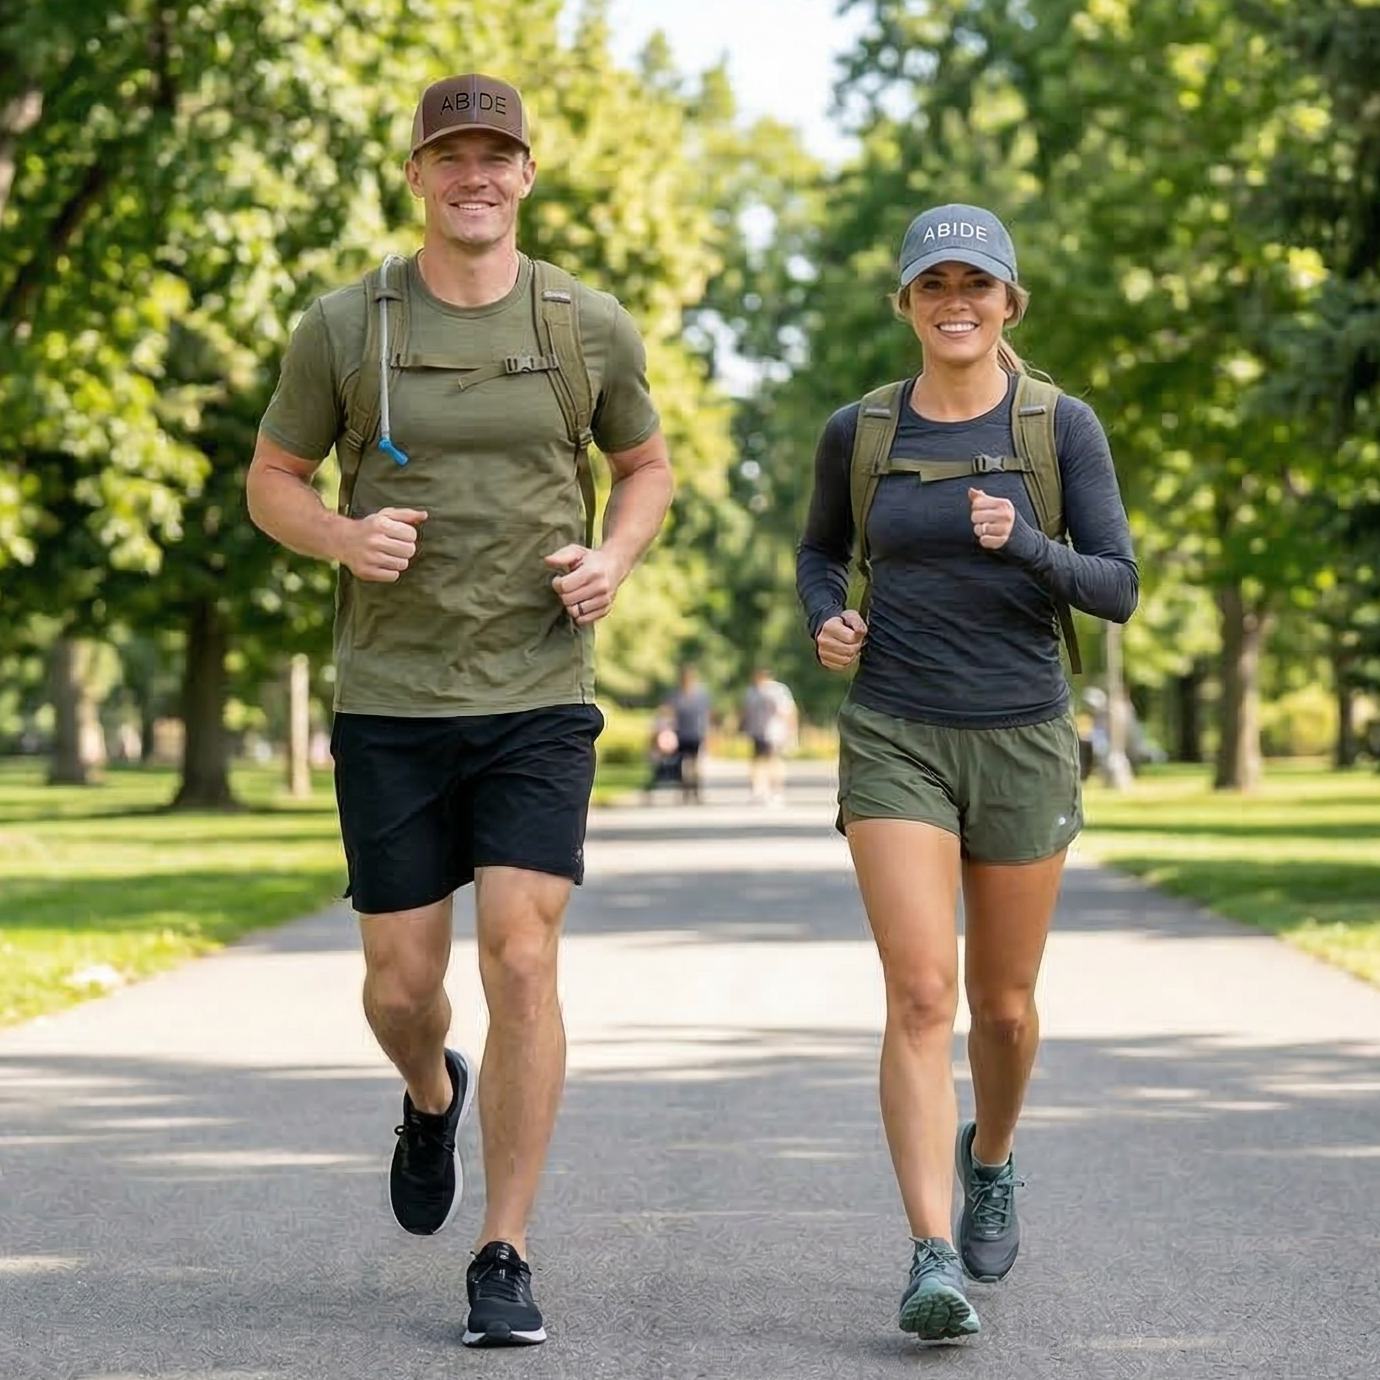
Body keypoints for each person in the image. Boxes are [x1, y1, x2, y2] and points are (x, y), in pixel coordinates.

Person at [245, 73, 673, 1349]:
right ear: (420, 174)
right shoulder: (346, 327)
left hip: (540, 690)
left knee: (524, 957)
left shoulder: (587, 324)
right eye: (452, 156)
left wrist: (618, 560)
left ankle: (506, 1250)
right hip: (390, 698)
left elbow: (644, 468)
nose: (475, 175)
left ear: (527, 175)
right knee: (400, 985)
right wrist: (340, 535)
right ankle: (429, 1095)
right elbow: (272, 478)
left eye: (498, 155)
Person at [796, 204, 1137, 1340]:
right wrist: (826, 621)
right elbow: (817, 554)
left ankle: (989, 1153)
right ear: (905, 302)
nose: (956, 301)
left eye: (976, 284)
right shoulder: (863, 430)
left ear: (1008, 303)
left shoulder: (1060, 426)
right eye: (933, 283)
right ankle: (930, 1252)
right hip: (895, 729)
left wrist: (1025, 543)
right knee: (921, 995)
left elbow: (1117, 585)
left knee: (1003, 1008)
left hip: (1024, 733)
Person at [741, 667, 797, 804]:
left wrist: (791, 731)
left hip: (774, 732)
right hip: (757, 731)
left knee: (774, 760)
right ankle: (757, 789)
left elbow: (787, 711)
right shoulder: (752, 692)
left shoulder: (777, 691)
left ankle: (776, 790)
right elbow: (746, 712)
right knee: (757, 761)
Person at [667, 664, 712, 802]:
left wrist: (709, 731)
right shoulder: (676, 695)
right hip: (681, 733)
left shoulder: (701, 695)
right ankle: (685, 790)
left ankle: (696, 790)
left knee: (695, 763)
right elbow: (669, 712)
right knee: (682, 763)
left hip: (696, 732)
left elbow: (707, 714)